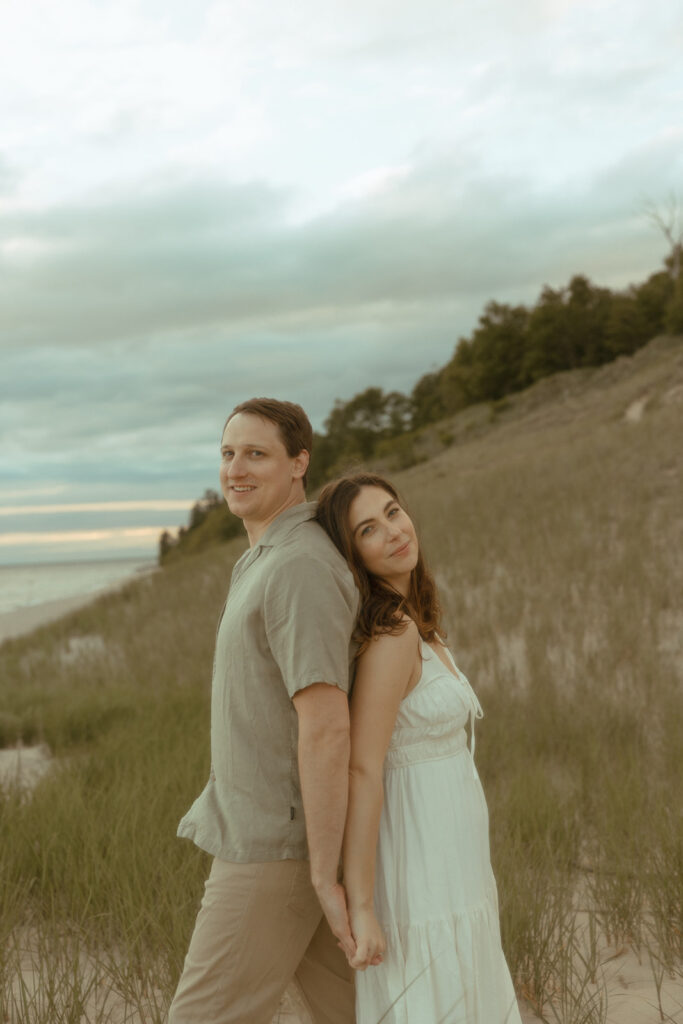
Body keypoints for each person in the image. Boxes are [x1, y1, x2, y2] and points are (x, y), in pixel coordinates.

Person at [168, 399, 360, 1024]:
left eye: (256, 453)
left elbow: (328, 724)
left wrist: (324, 873)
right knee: (364, 1011)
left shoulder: (298, 566)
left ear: (300, 462)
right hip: (272, 838)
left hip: (272, 850)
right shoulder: (266, 558)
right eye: (228, 454)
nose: (236, 468)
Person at [316, 473, 522, 1024]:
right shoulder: (392, 633)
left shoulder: (417, 621)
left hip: (454, 857)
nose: (392, 531)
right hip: (419, 858)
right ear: (352, 553)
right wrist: (362, 903)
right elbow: (363, 767)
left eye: (392, 511)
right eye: (367, 528)